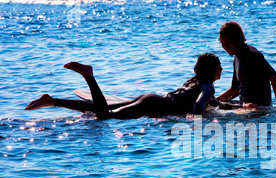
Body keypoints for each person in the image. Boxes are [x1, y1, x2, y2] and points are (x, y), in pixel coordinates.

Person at [25, 53, 222, 119]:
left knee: (100, 109)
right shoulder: (208, 87)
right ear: (212, 70)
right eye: (219, 67)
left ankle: (52, 101)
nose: (221, 69)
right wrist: (198, 125)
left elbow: (197, 101)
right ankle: (89, 76)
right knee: (105, 117)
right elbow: (198, 105)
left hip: (153, 99)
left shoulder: (194, 80)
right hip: (153, 107)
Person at [216, 21, 276, 109]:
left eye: (228, 42)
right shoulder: (236, 59)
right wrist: (214, 101)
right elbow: (235, 90)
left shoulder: (252, 55)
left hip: (258, 109)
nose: (225, 46)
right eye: (222, 43)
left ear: (238, 39)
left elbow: (275, 78)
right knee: (213, 107)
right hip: (245, 108)